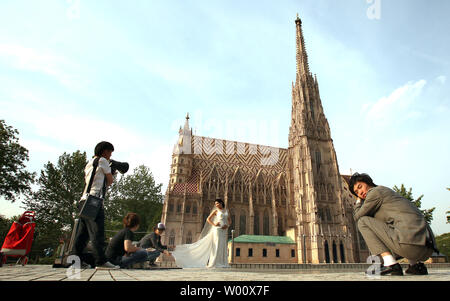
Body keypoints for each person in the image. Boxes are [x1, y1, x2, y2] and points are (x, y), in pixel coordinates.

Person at [349, 172, 438, 276]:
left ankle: (390, 263)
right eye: (356, 192)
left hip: (411, 245)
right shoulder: (387, 192)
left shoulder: (375, 193)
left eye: (360, 187)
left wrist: (358, 202)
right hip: (426, 248)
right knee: (395, 224)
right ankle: (415, 266)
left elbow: (357, 217)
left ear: (368, 182)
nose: (360, 192)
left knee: (363, 221)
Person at [70, 141, 118, 269]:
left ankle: (75, 261)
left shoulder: (89, 163)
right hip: (94, 200)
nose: (110, 155)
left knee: (83, 233)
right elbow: (110, 181)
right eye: (110, 152)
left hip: (84, 200)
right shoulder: (103, 161)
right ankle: (100, 261)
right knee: (97, 232)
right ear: (104, 151)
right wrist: (112, 172)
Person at [171, 198, 231, 268]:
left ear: (221, 203)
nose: (216, 205)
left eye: (217, 203)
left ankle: (222, 262)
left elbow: (229, 220)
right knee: (217, 245)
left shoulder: (226, 210)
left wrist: (227, 226)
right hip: (217, 229)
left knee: (222, 245)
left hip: (224, 230)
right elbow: (208, 219)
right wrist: (214, 224)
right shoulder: (215, 211)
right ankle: (214, 262)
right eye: (215, 204)